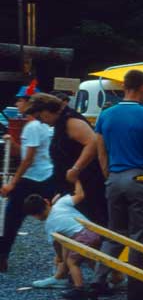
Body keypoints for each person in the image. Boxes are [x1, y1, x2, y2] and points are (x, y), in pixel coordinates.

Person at [94, 69, 143, 300]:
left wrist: (109, 176)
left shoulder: (106, 115)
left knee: (114, 233)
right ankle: (136, 289)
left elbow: (101, 153)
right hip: (139, 179)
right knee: (140, 236)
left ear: (124, 86)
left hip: (114, 178)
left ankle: (98, 281)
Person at [25, 93, 108, 227]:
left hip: (88, 183)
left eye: (39, 117)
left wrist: (76, 168)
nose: (41, 121)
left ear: (46, 110)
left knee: (94, 221)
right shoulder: (60, 122)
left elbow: (93, 142)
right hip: (73, 183)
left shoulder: (70, 121)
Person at [0, 85, 55, 272]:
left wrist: (12, 183)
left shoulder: (32, 126)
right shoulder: (41, 126)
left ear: (30, 103)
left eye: (20, 100)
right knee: (51, 216)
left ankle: (2, 255)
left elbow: (28, 160)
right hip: (46, 175)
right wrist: (13, 144)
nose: (17, 103)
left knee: (11, 217)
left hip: (34, 177)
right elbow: (25, 154)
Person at [23, 181, 102, 300]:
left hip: (83, 237)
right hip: (94, 232)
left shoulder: (49, 225)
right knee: (90, 259)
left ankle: (79, 289)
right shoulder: (61, 202)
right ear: (47, 201)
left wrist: (59, 257)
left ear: (35, 216)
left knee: (72, 262)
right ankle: (102, 282)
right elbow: (80, 195)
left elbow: (56, 243)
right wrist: (77, 180)